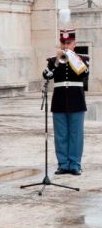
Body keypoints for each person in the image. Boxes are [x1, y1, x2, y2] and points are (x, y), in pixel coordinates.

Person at [42, 29, 89, 176]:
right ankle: (63, 164)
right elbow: (46, 75)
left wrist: (73, 57)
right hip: (59, 100)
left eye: (69, 43)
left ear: (74, 44)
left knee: (76, 134)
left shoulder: (82, 59)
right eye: (63, 43)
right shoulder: (53, 60)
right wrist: (56, 61)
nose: (66, 45)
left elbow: (85, 74)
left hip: (76, 100)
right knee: (60, 134)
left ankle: (75, 164)